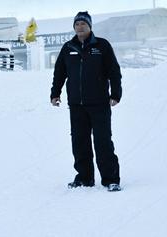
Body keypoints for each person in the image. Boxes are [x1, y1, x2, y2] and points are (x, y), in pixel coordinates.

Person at [50, 11, 122, 192]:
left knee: (103, 142)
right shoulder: (68, 48)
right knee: (79, 142)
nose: (80, 27)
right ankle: (84, 178)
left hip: (99, 104)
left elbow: (114, 71)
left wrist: (116, 94)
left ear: (90, 27)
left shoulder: (102, 46)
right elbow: (59, 72)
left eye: (83, 24)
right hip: (76, 105)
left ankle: (111, 179)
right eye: (77, 24)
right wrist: (55, 93)